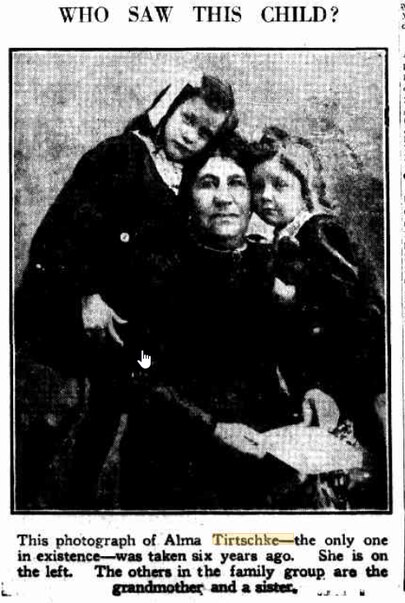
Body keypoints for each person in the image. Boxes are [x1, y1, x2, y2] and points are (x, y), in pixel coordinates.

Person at [16, 73, 238, 509]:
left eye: (206, 133)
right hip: (79, 322)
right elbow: (59, 234)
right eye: (188, 120)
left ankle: (81, 511)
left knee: (103, 437)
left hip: (131, 340)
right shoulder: (121, 155)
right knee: (53, 428)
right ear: (166, 109)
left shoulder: (187, 182)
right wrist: (86, 293)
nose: (193, 136)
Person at [119, 133, 341, 510]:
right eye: (208, 184)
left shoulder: (272, 264)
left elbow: (296, 345)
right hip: (173, 465)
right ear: (188, 197)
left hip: (263, 458)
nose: (224, 197)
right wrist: (212, 428)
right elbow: (139, 371)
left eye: (236, 183)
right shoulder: (154, 271)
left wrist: (314, 388)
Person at [250, 127, 386, 463]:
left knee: (353, 454)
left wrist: (295, 298)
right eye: (257, 186)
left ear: (305, 188)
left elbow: (356, 307)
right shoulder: (283, 238)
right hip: (315, 375)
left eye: (279, 185)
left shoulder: (319, 230)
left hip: (343, 371)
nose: (266, 196)